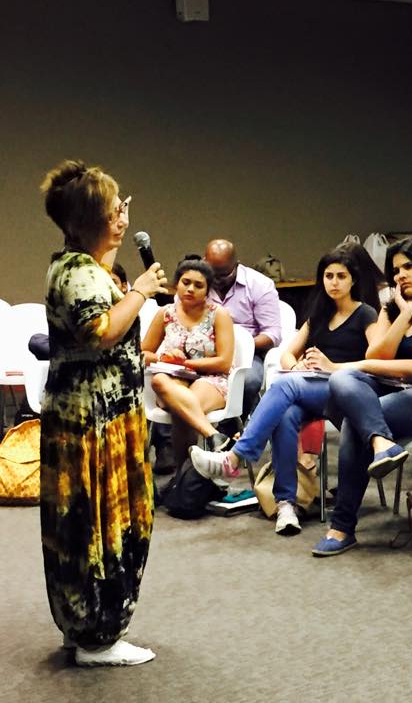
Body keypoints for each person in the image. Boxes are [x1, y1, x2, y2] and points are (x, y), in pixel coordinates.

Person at [38, 160, 167, 666]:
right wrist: (140, 291)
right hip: (91, 424)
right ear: (94, 219)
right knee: (97, 526)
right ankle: (98, 638)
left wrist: (120, 267)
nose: (123, 216)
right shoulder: (76, 274)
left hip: (107, 416)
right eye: (115, 210)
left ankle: (86, 627)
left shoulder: (90, 267)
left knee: (89, 524)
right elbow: (101, 333)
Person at [190, 245, 380, 535]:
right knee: (286, 413)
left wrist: (332, 366)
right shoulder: (318, 314)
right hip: (315, 387)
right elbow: (286, 354)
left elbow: (376, 361)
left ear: (353, 280)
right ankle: (286, 505)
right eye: (328, 276)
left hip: (351, 389)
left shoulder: (365, 314)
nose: (334, 282)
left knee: (284, 386)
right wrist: (297, 366)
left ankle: (236, 456)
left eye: (341, 276)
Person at [309, 237, 412, 556]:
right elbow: (379, 353)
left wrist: (356, 363)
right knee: (344, 380)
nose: (401, 275)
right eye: (395, 270)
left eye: (409, 266)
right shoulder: (394, 308)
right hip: (399, 391)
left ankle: (342, 527)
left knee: (356, 418)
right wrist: (403, 315)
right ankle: (382, 443)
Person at [141, 258, 235, 467]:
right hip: (173, 378)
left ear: (208, 290)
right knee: (159, 382)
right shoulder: (165, 314)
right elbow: (142, 353)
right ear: (176, 284)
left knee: (181, 409)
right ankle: (212, 435)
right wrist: (163, 358)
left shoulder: (219, 315)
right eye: (186, 282)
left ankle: (182, 478)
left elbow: (224, 362)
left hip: (211, 378)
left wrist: (187, 364)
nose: (190, 289)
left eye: (198, 285)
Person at [203, 238, 282, 413]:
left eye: (223, 275)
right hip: (200, 351)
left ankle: (233, 430)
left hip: (245, 355)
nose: (216, 280)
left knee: (248, 380)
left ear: (236, 265)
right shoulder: (195, 283)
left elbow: (273, 334)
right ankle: (170, 438)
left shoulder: (259, 285)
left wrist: (237, 347)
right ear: (204, 263)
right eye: (211, 274)